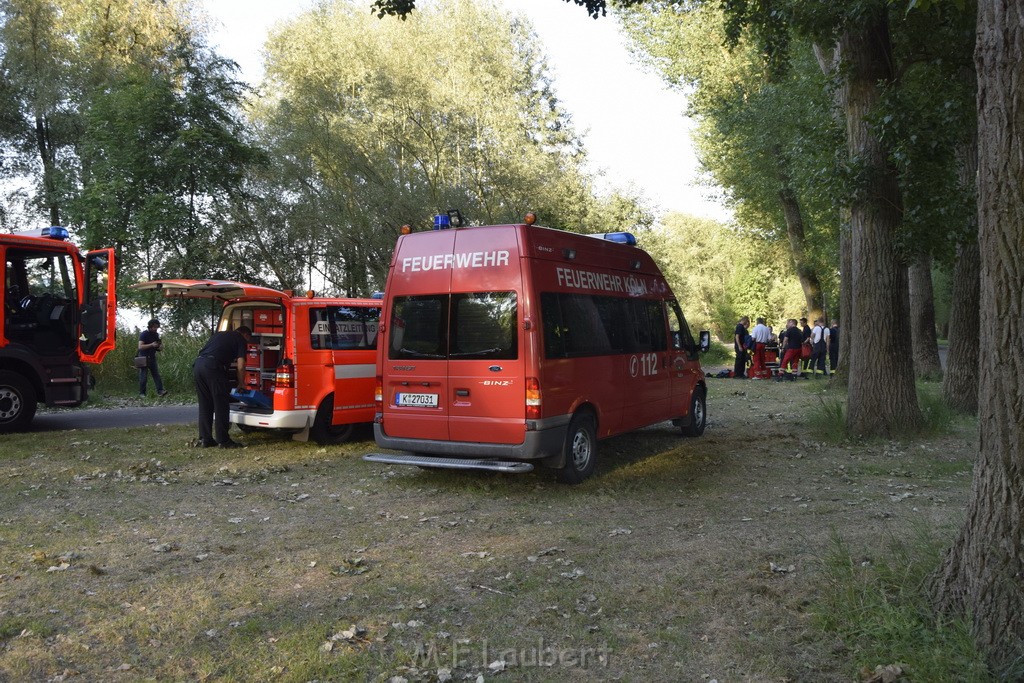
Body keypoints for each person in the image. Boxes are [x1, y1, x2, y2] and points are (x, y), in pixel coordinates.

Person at [192, 325, 252, 448]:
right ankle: (223, 441)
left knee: (205, 404)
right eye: (248, 339)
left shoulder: (219, 334)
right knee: (221, 404)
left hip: (198, 365)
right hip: (213, 367)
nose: (247, 342)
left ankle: (205, 439)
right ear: (245, 335)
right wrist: (241, 383)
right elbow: (241, 365)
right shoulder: (240, 339)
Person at [137, 318, 168, 398]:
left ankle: (160, 391)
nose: (155, 329)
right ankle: (142, 393)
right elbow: (140, 347)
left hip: (152, 357)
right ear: (150, 326)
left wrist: (159, 347)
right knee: (143, 376)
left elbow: (157, 346)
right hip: (143, 357)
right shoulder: (144, 334)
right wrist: (151, 345)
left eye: (157, 327)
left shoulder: (156, 334)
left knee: (156, 375)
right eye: (154, 327)